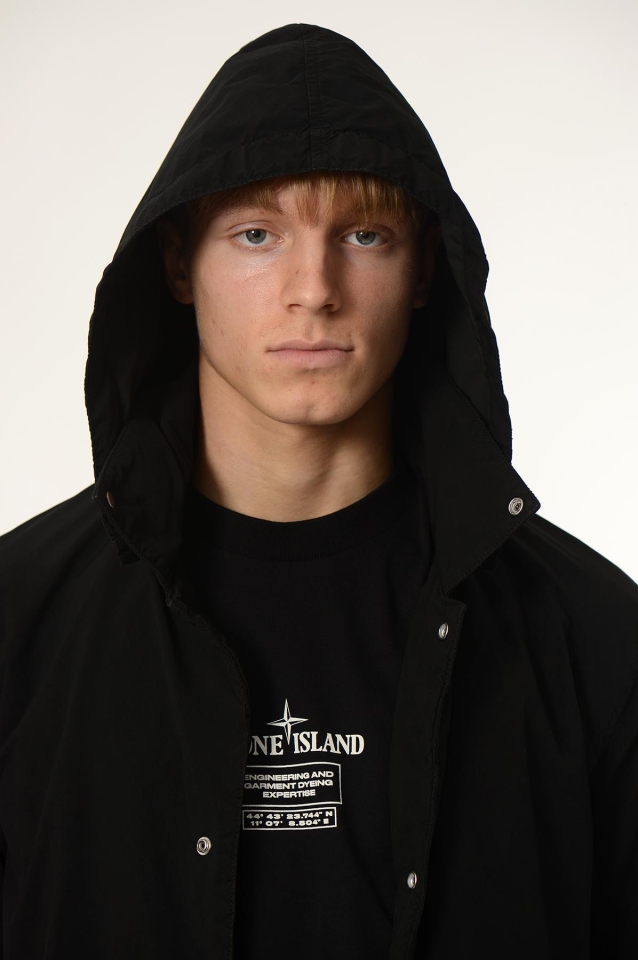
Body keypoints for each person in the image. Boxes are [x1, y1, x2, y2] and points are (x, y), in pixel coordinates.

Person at [0, 21, 636, 960]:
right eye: (258, 234)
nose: (314, 288)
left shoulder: (595, 640)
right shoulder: (18, 622)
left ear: (424, 269)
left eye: (365, 235)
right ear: (178, 265)